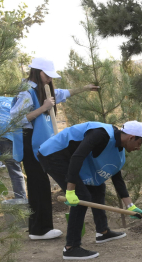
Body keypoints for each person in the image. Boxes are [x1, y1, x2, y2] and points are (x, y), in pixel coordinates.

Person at [10, 58, 99, 240]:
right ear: (37, 71)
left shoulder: (44, 90)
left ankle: (41, 227)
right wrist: (43, 107)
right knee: (37, 185)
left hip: (41, 142)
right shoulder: (27, 92)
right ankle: (38, 230)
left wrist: (85, 88)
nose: (50, 79)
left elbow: (64, 93)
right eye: (47, 75)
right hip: (30, 142)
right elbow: (16, 118)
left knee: (42, 184)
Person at [37, 121, 142, 260]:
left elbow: (116, 176)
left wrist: (130, 206)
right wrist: (71, 191)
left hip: (71, 159)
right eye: (140, 142)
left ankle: (102, 232)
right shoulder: (101, 134)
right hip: (54, 154)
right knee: (82, 196)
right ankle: (71, 247)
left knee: (98, 185)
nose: (139, 147)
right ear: (131, 137)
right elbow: (77, 157)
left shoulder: (117, 147)